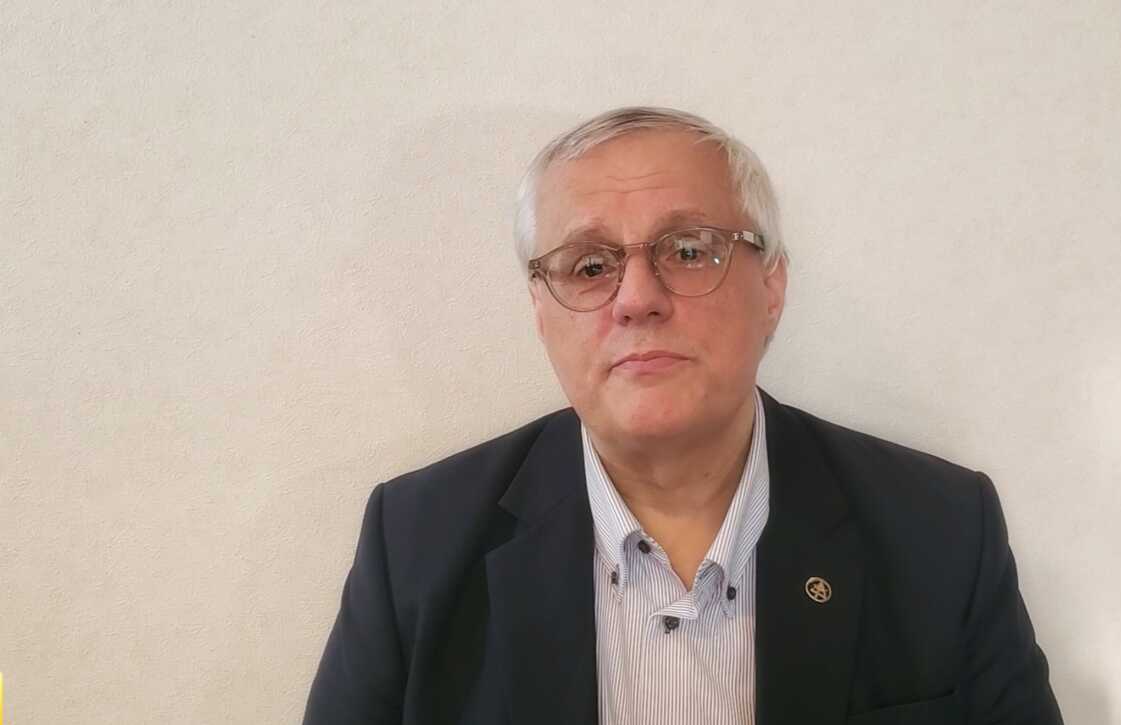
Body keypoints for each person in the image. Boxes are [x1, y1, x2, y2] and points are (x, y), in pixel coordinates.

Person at [303, 107, 1063, 725]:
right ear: (540, 309)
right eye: (590, 266)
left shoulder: (939, 531)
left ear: (772, 287)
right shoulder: (417, 544)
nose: (637, 298)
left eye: (690, 250)